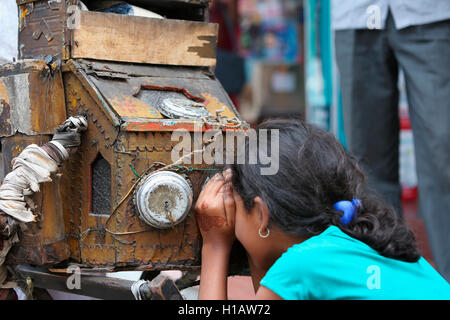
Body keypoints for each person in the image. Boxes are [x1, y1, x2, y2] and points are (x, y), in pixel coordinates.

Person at [194, 119, 450, 299]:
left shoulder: (300, 265)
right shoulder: (364, 242)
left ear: (262, 214)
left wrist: (214, 246)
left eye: (235, 203)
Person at [332, 0, 450, 281]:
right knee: (367, 165)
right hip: (354, 16)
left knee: (443, 154)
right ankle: (385, 282)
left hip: (430, 14)